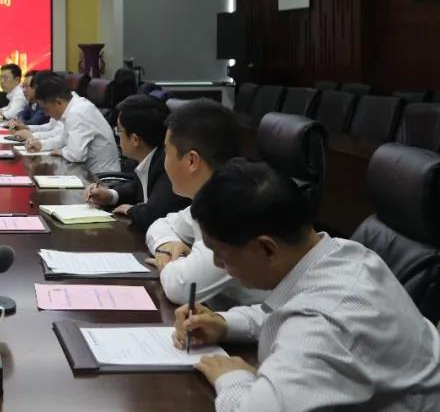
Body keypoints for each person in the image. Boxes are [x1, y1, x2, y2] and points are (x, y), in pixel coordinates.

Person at [174, 160, 440, 411]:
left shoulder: (326, 323)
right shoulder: (343, 252)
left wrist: (232, 376)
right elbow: (293, 309)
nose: (218, 264)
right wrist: (225, 324)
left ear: (267, 248)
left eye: (221, 254)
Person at [145, 99, 266, 307]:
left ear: (192, 161)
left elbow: (180, 288)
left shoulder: (233, 208)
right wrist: (166, 246)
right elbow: (161, 225)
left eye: (166, 152)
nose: (164, 162)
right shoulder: (212, 196)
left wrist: (171, 263)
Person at [86, 94, 188, 230]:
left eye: (119, 130)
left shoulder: (168, 163)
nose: (117, 135)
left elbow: (154, 214)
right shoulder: (148, 157)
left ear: (135, 139)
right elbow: (138, 187)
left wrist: (131, 210)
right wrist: (110, 195)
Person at [23, 77, 120, 176]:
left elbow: (76, 155)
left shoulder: (78, 112)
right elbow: (62, 140)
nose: (46, 114)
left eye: (45, 109)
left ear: (58, 102)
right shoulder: (72, 106)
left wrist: (61, 152)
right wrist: (42, 145)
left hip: (102, 178)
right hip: (86, 173)